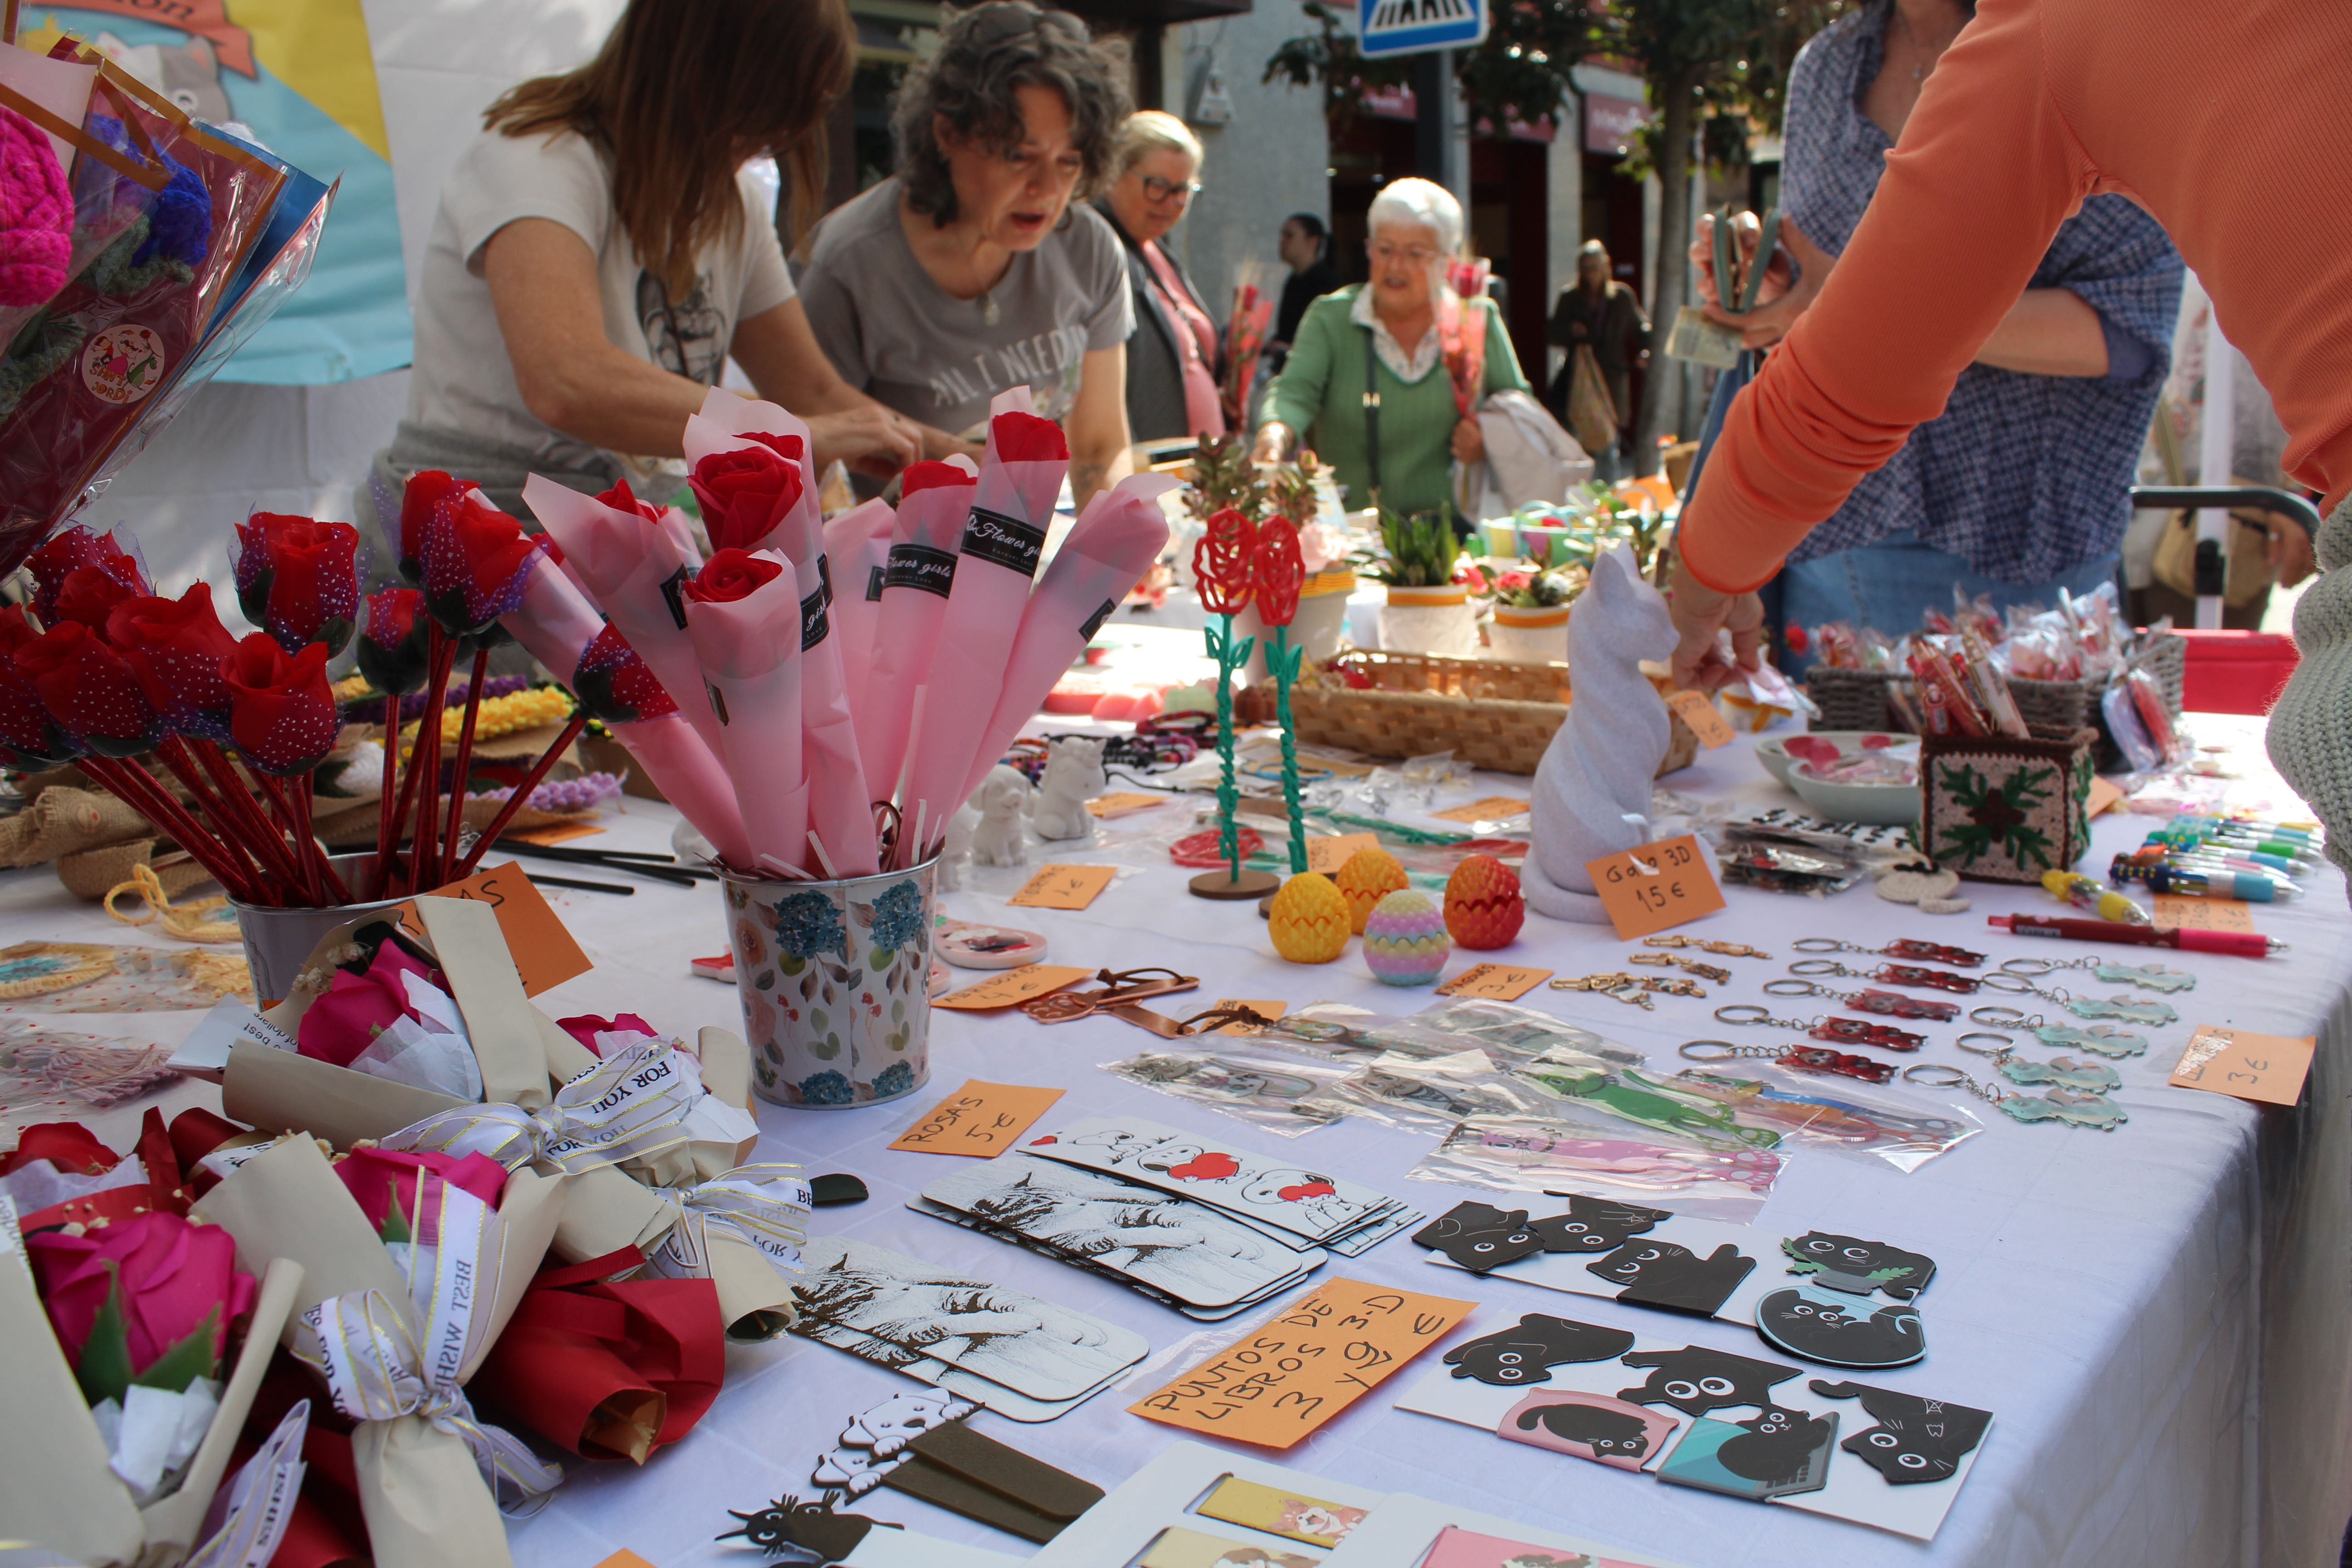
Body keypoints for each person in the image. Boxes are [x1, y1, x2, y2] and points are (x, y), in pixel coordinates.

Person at [1660, 0, 2352, 873]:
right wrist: (1787, 283)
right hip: (1847, 529)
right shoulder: (1828, 67)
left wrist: (1708, 569)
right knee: (1868, 854)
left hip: (2019, 526)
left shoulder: (2060, 31)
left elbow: (1864, 362)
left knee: (2009, 856)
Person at [1680, 0, 2181, 676]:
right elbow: (1818, 284)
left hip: (2021, 553)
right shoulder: (1825, 67)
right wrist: (1768, 278)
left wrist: (1857, 307)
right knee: (1815, 777)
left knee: (2005, 782)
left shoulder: (2072, 38)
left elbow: (2129, 329)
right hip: (1830, 539)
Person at [380, 0, 921, 521]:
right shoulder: (539, 156)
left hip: (623, 531)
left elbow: (817, 394)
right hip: (480, 527)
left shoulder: (735, 204)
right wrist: (789, 434)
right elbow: (567, 381)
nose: (759, 150)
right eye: (754, 121)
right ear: (692, 73)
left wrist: (955, 452)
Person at [798, 0, 1136, 510]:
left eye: (1069, 162)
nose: (1047, 189)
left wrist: (1100, 560)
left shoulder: (1088, 246)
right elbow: (815, 463)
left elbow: (1098, 445)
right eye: (1019, 156)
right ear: (947, 134)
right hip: (897, 564)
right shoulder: (852, 263)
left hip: (1033, 541)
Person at [1252, 178, 1528, 518]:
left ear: (1447, 261)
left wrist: (1488, 439)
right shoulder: (1332, 318)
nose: (1395, 266)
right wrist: (1275, 432)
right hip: (1352, 534)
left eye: (1414, 253)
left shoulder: (1474, 320)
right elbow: (1295, 393)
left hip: (1457, 533)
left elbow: (1517, 410)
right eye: (1384, 250)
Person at [1095, 110, 1223, 443]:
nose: (1171, 204)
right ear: (1114, 172)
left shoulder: (1156, 250)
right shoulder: (1097, 251)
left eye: (1183, 190)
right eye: (1158, 186)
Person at [1546, 240, 1649, 476]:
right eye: (1585, 269)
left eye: (1595, 267)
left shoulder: (1622, 297)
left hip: (1611, 380)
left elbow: (1641, 326)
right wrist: (1571, 330)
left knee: (1608, 444)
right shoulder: (1570, 297)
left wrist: (1646, 351)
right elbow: (1552, 334)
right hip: (1580, 381)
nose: (1590, 274)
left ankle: (1607, 498)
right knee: (1578, 441)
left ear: (1606, 268)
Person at [1271, 212, 1341, 356]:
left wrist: (1289, 347)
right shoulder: (1293, 279)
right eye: (1283, 236)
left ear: (1312, 242)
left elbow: (1329, 337)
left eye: (1289, 236)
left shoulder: (1326, 282)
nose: (1282, 241)